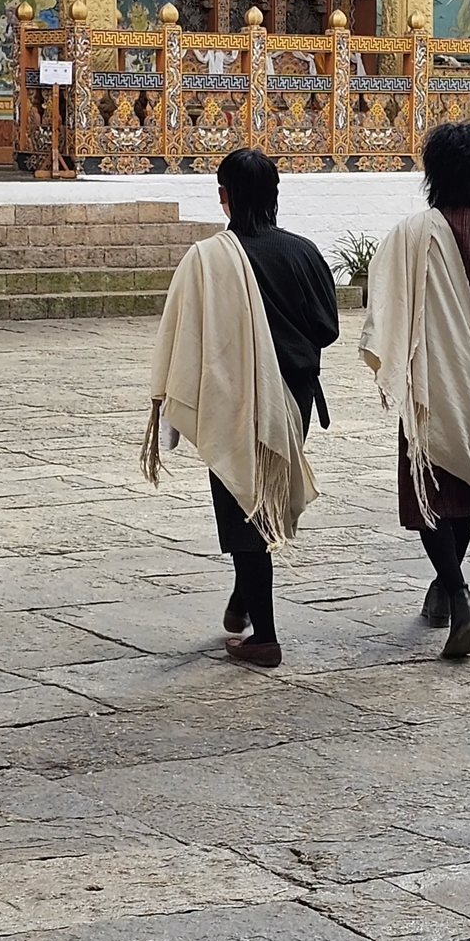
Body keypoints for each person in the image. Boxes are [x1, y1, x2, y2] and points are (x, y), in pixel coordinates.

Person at [142, 148, 339, 667]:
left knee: (243, 505)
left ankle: (265, 636)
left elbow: (184, 336)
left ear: (224, 197)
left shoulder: (207, 260)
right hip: (291, 401)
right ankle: (242, 601)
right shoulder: (304, 253)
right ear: (275, 196)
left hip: (230, 399)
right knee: (258, 499)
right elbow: (327, 329)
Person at [360, 122, 470, 659]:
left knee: (431, 491)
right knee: (466, 490)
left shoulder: (410, 235)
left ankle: (455, 594)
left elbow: (384, 307)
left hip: (430, 380)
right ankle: (449, 592)